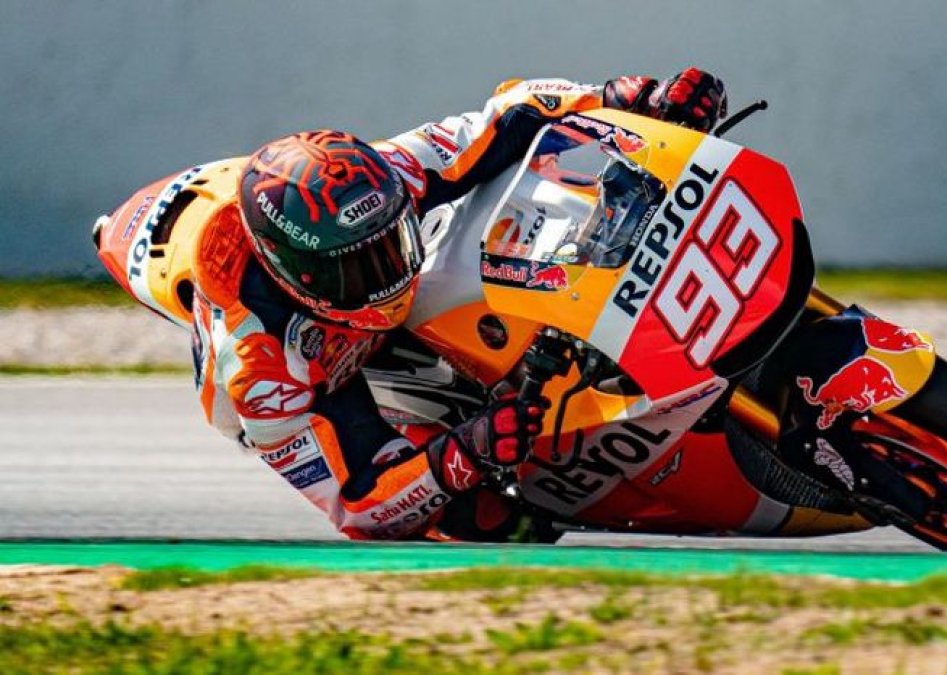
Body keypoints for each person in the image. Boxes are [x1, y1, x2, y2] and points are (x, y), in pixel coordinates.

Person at [102, 68, 726, 540]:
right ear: (298, 274)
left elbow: (510, 114)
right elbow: (357, 505)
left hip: (273, 218)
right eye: (361, 267)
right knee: (483, 519)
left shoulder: (385, 176)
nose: (389, 275)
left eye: (391, 244)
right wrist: (464, 453)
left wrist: (627, 97)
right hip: (315, 378)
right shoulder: (258, 370)